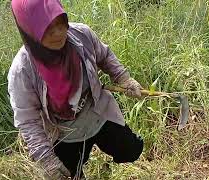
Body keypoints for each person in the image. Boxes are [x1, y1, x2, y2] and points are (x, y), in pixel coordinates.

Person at [8, 0, 144, 179]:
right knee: (69, 176)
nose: (58, 33)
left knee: (131, 150)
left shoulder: (81, 35)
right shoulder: (23, 70)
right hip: (65, 134)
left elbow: (104, 55)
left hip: (98, 115)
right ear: (30, 30)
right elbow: (28, 121)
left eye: (60, 23)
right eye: (48, 29)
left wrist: (123, 78)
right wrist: (46, 158)